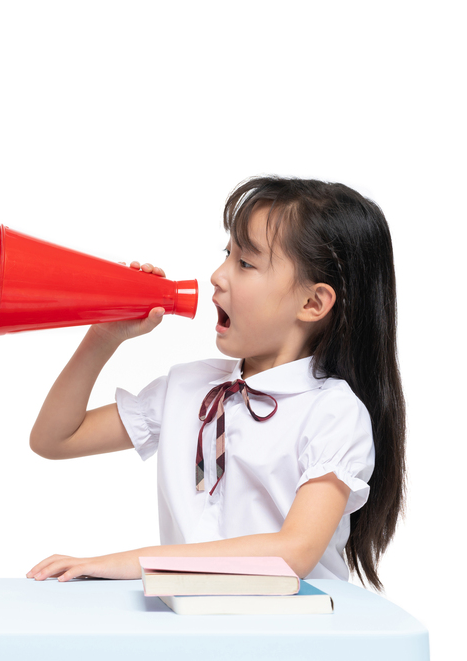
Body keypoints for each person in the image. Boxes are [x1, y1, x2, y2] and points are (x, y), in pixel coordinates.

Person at [26, 176, 405, 590]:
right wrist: (103, 337)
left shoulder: (332, 412)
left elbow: (295, 551)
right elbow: (54, 439)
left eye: (245, 263)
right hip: (194, 624)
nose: (217, 275)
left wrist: (128, 563)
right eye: (228, 253)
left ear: (312, 303)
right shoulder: (187, 387)